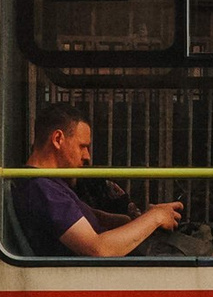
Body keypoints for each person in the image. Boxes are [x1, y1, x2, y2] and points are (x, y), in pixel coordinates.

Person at [11, 101, 185, 259]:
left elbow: (94, 216)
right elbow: (98, 249)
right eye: (83, 146)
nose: (87, 157)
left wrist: (142, 219)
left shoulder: (51, 184)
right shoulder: (42, 189)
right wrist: (155, 217)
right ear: (58, 139)